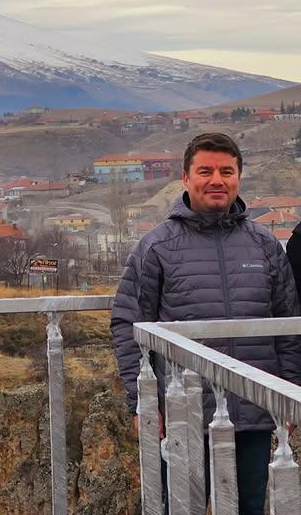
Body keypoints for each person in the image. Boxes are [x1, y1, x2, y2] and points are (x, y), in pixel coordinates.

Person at [110, 132, 301, 515]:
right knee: (181, 507)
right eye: (206, 170)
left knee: (249, 506)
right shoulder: (156, 246)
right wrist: (143, 403)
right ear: (185, 178)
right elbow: (129, 326)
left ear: (238, 177)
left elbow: (288, 324)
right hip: (184, 413)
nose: (217, 179)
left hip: (254, 411)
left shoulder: (264, 244)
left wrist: (288, 396)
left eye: (226, 171)